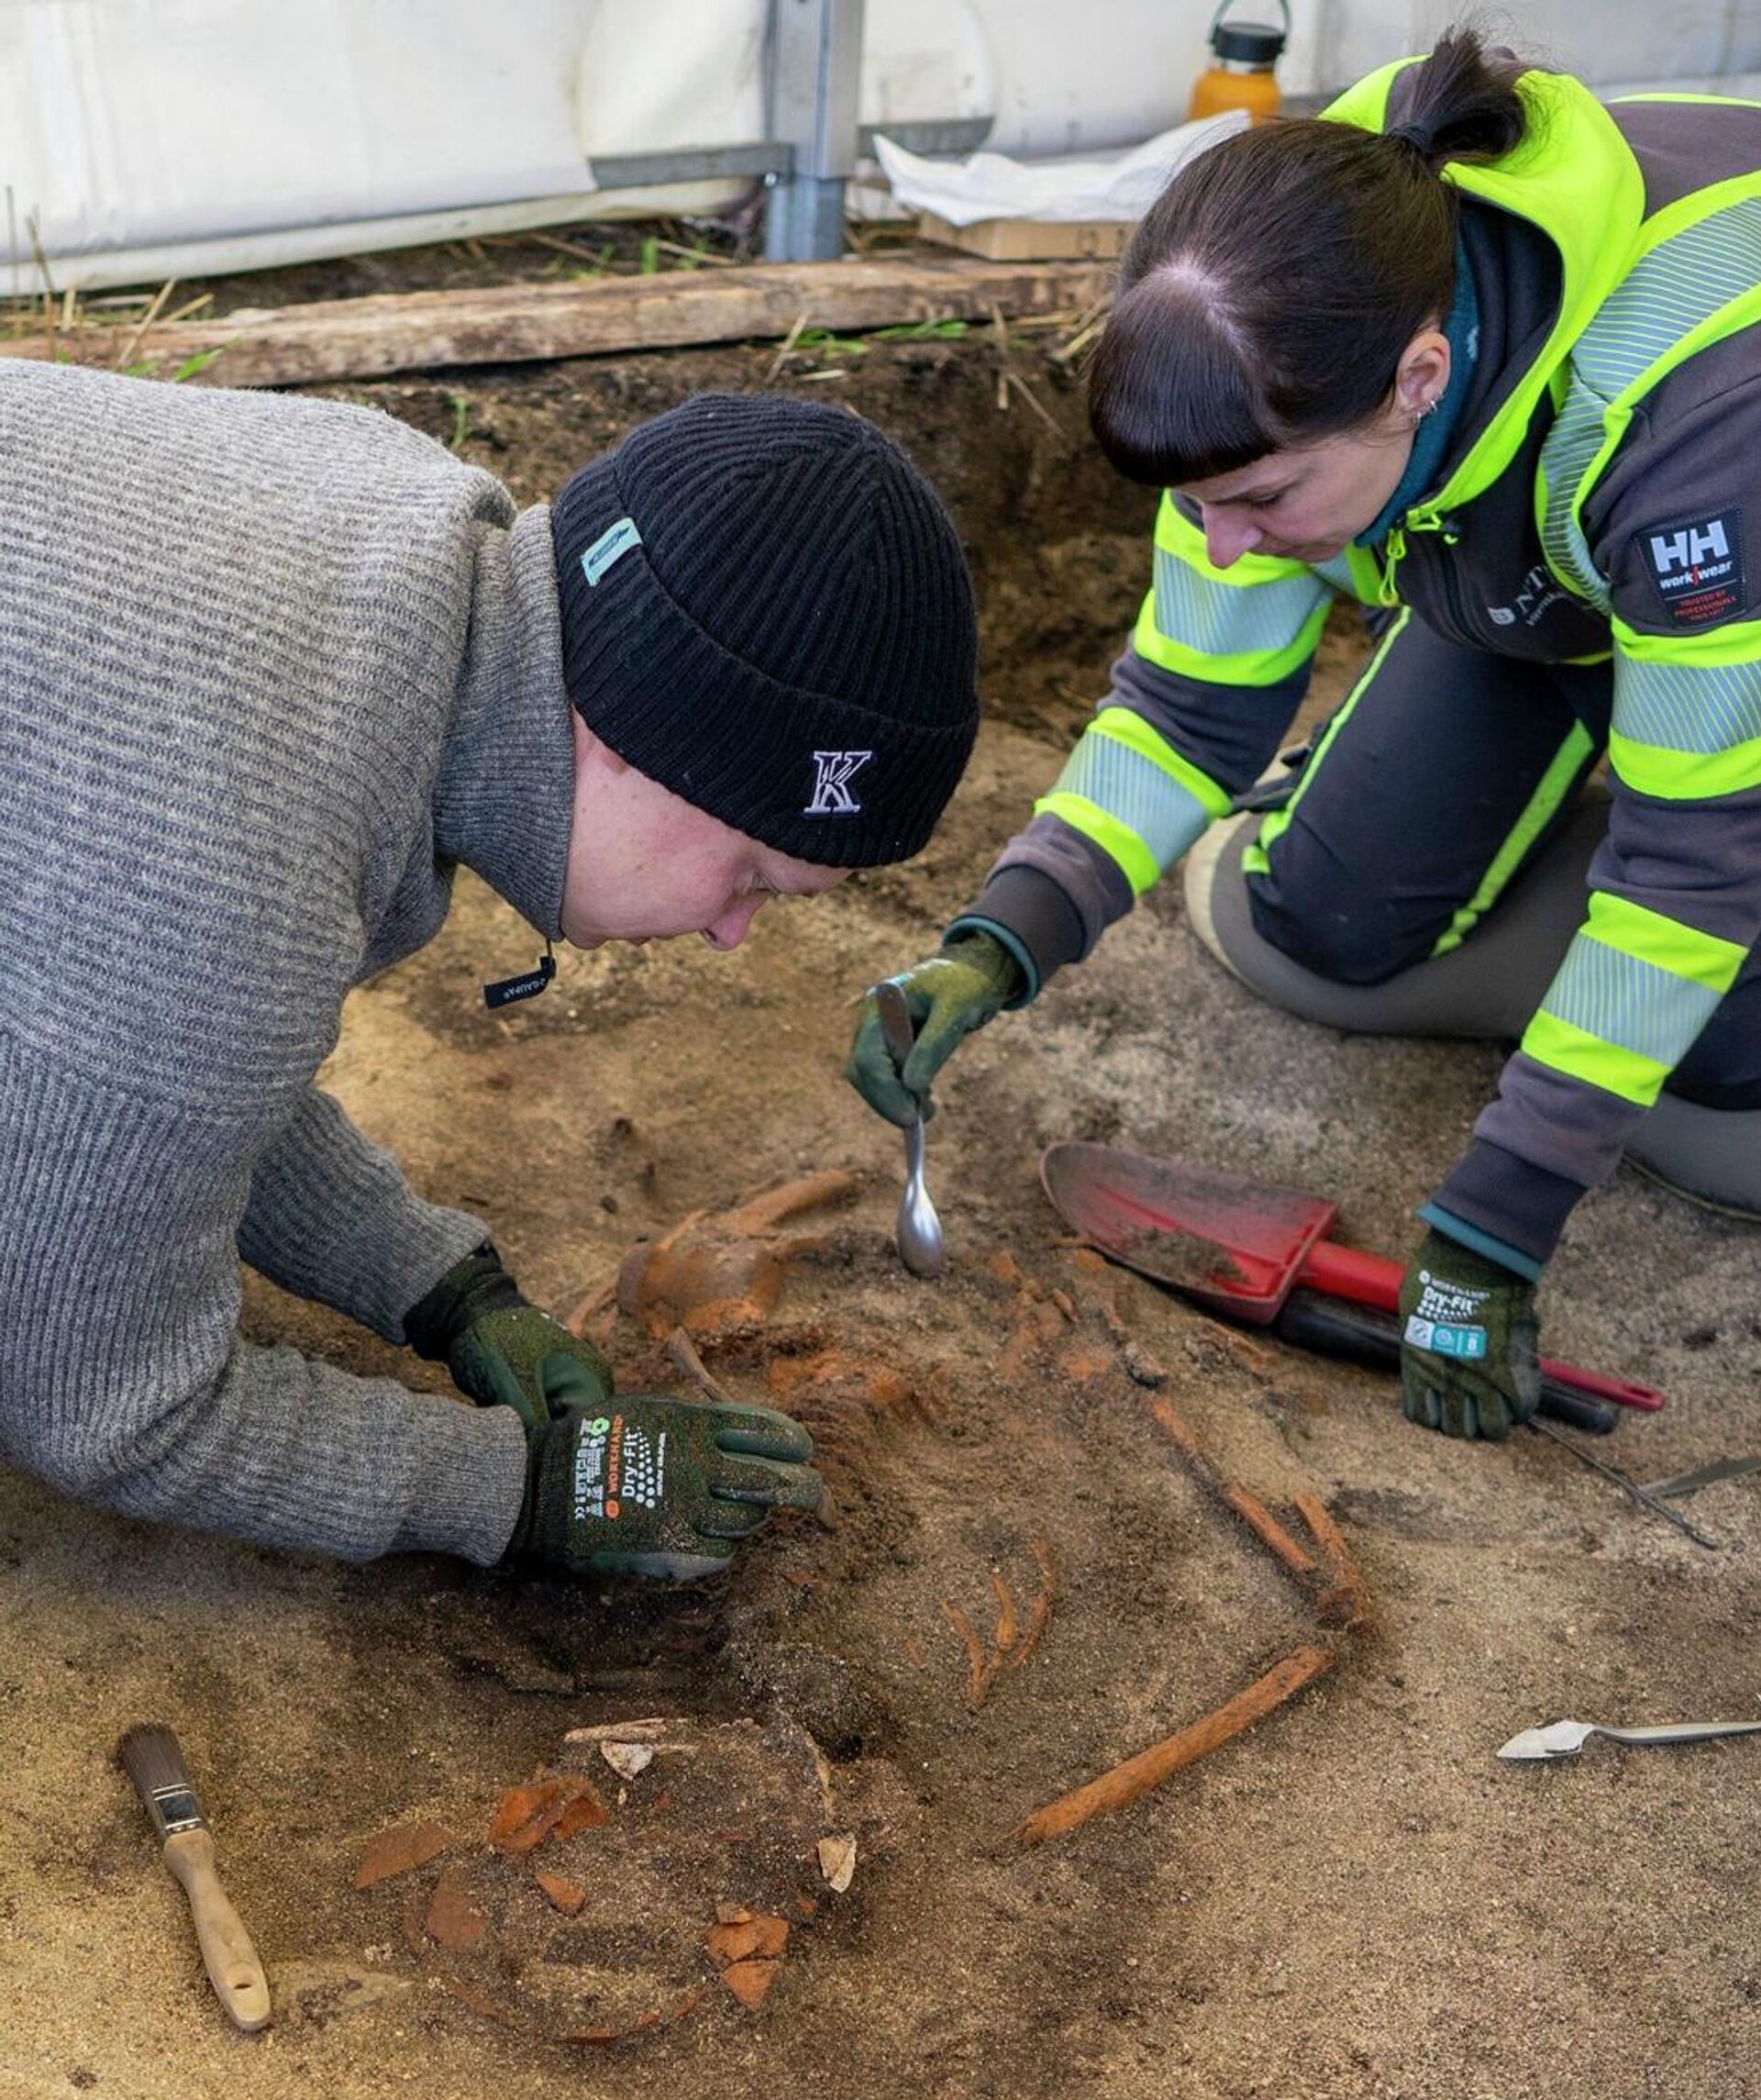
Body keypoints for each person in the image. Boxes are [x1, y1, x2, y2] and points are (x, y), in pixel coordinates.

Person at [847, 28, 1761, 1441]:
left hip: (1710, 551)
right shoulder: (1272, 314)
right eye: (1204, 504)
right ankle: (1600, 870)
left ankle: (1628, 862)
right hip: (1543, 576)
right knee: (1311, 928)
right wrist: (1001, 937)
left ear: (1418, 376)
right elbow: (1187, 704)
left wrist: (1495, 1227)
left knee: (1728, 1080)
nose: (1225, 546)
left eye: (1261, 501)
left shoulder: (1694, 419)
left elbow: (1696, 865)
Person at [0, 367, 980, 1578]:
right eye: (751, 880)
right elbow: (103, 1409)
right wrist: (513, 1490)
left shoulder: (400, 524)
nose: (735, 935)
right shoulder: (239, 844)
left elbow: (128, 1066)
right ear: (654, 742)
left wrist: (427, 1277)